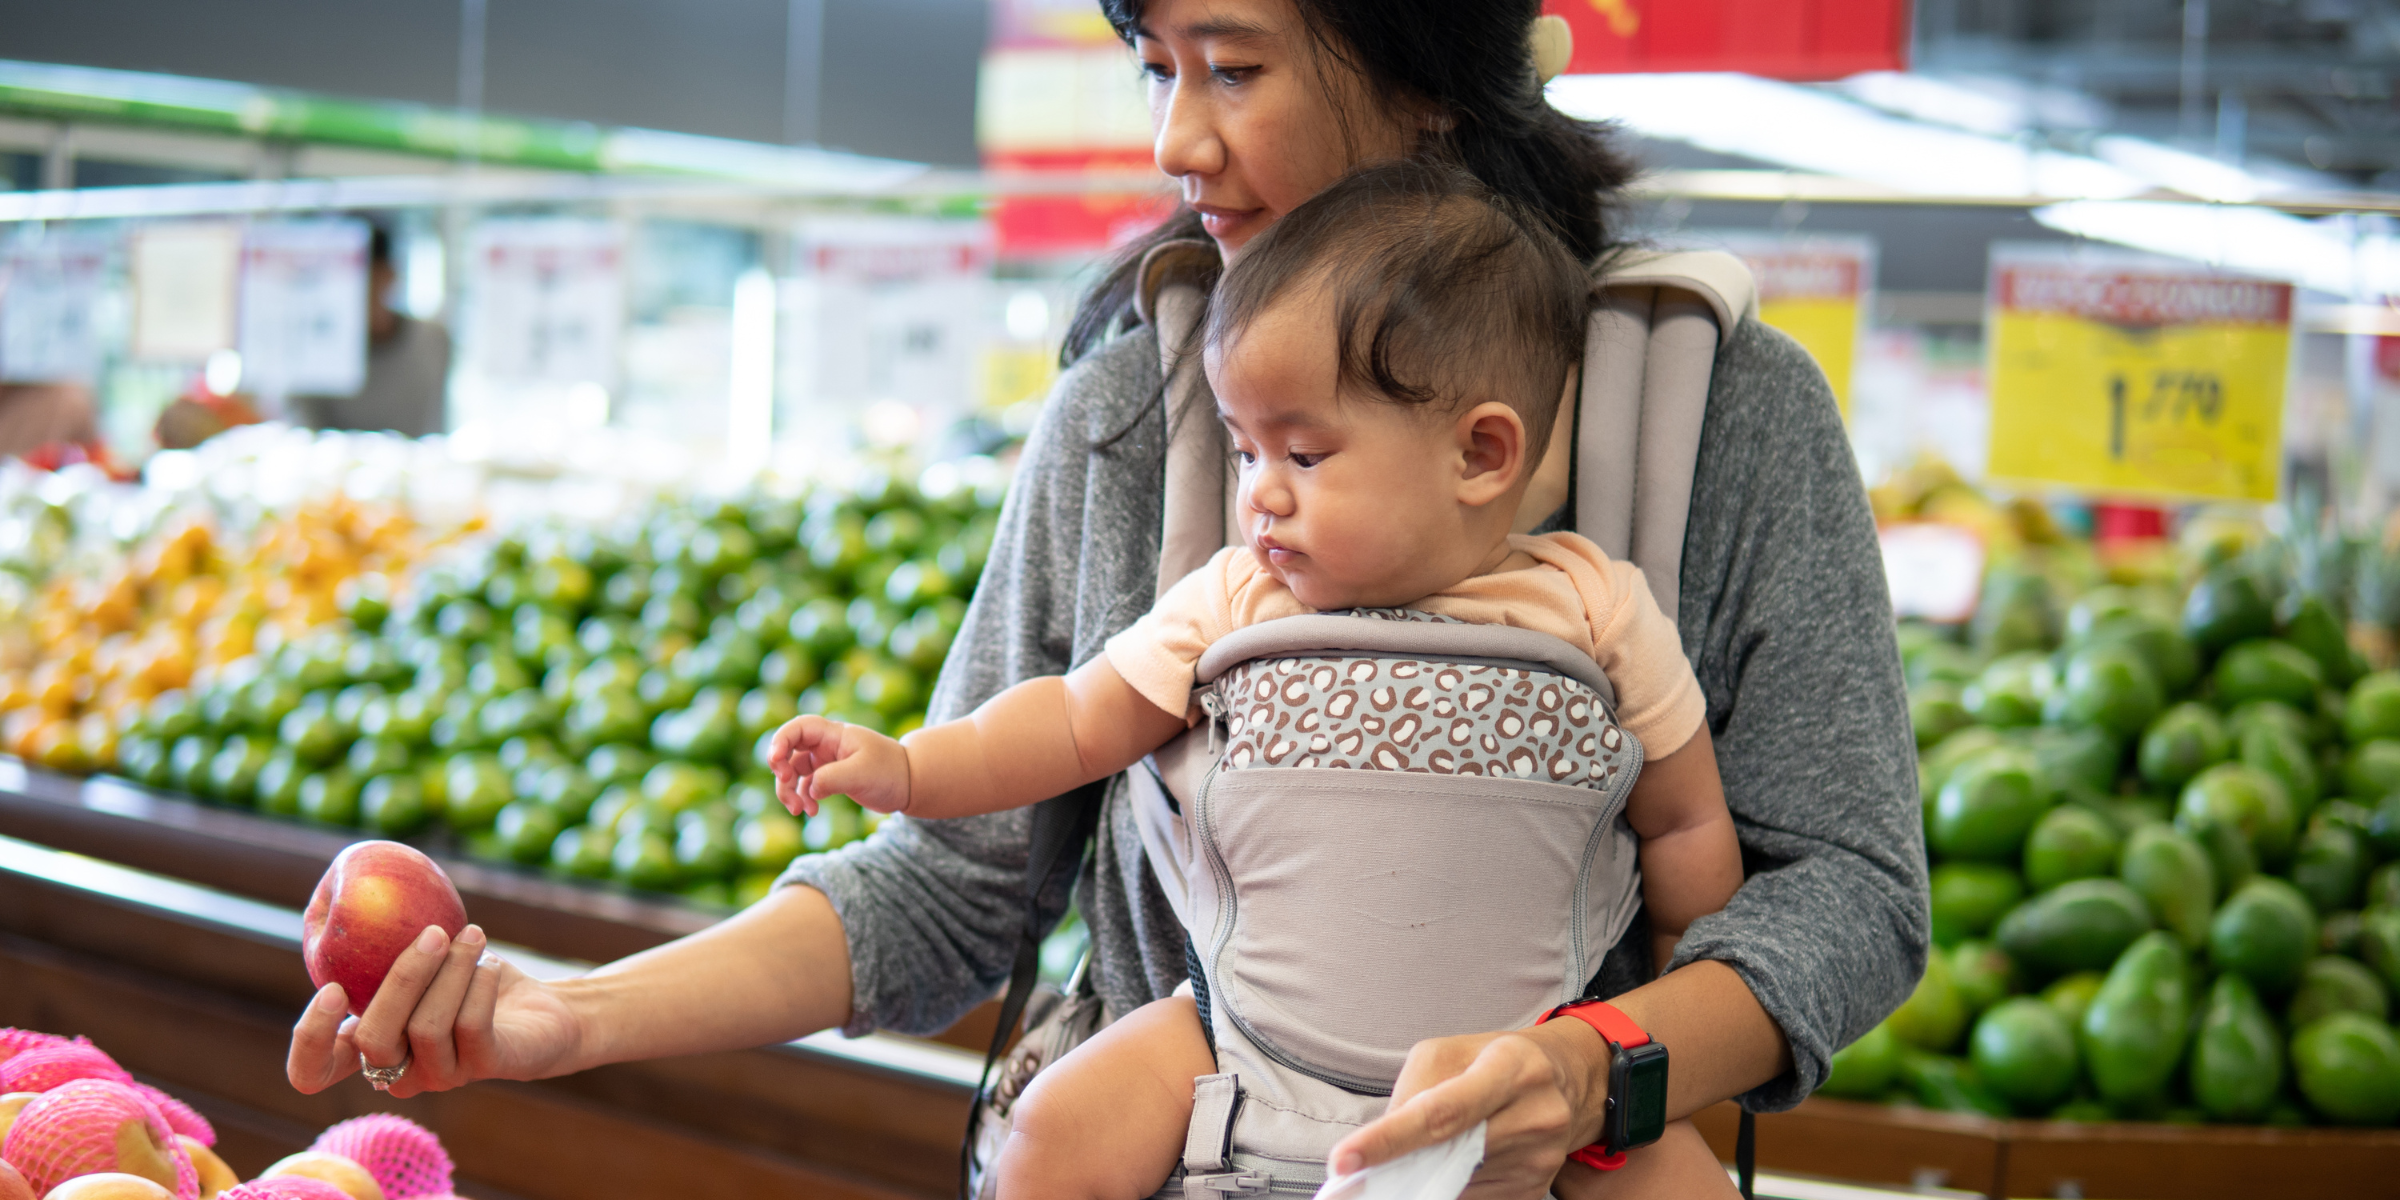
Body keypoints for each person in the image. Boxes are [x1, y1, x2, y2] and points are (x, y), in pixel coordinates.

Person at [284, 2, 1927, 1194]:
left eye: (1232, 63)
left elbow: (1849, 891)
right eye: (1154, 63)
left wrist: (1596, 1071)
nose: (1172, 137)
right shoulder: (1128, 414)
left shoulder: (1722, 419)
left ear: (1422, 67)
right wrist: (564, 1020)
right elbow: (950, 888)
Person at [767, 162, 1744, 1198]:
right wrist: (910, 768)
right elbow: (1068, 723)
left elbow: (1685, 823)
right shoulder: (1234, 598)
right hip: (1234, 1057)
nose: (1260, 497)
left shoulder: (1598, 608)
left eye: (1305, 455)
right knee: (1053, 1131)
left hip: (1523, 1092)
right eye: (1242, 452)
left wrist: (1676, 1008)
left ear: (1482, 454)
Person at [289, 223, 449, 438]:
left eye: (359, 278)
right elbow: (308, 433)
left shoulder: (431, 341)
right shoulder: (313, 352)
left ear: (388, 275)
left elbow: (437, 425)